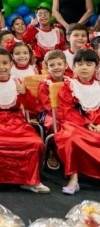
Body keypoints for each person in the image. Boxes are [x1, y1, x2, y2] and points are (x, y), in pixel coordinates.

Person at [0, 47, 48, 193]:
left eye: (5, 63)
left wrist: (25, 93)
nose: (1, 67)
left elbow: (33, 107)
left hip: (16, 121)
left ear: (11, 64)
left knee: (35, 142)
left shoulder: (17, 81)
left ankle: (30, 180)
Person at [54, 49, 100, 195]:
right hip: (75, 124)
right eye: (79, 64)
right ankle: (74, 179)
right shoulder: (69, 86)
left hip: (98, 125)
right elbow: (66, 111)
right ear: (74, 67)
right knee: (72, 138)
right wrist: (86, 122)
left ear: (97, 67)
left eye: (88, 64)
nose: (84, 67)